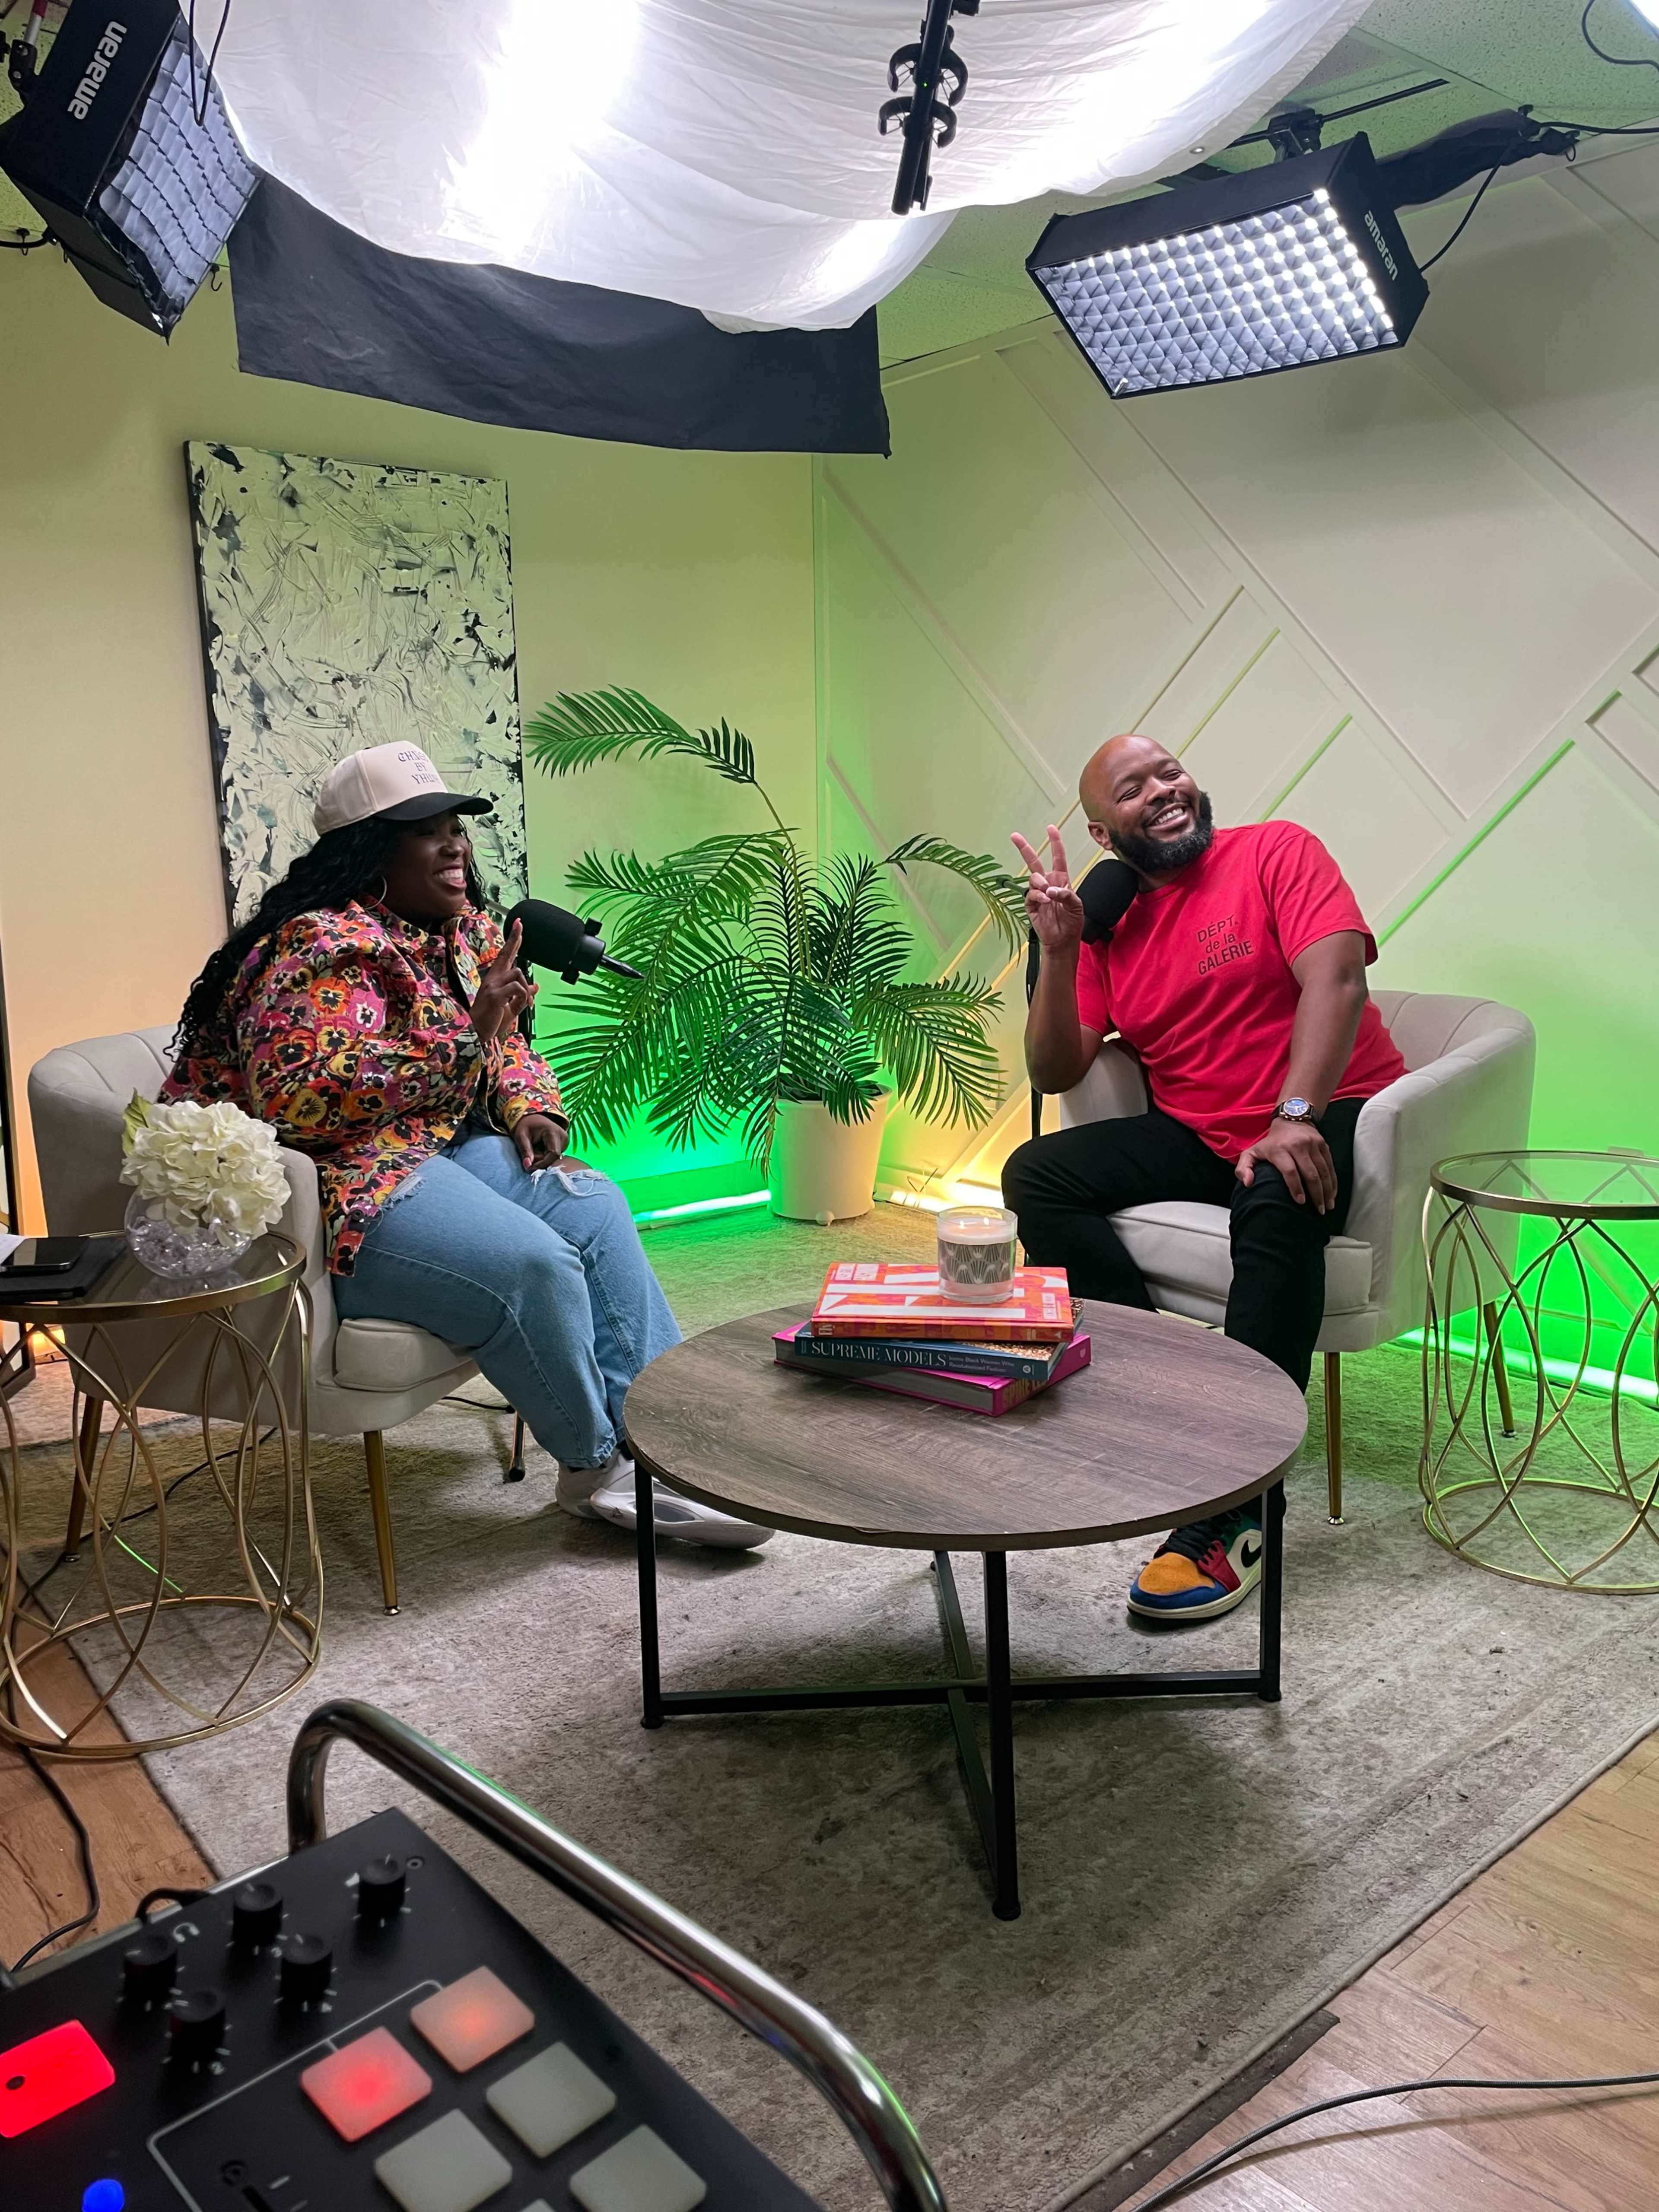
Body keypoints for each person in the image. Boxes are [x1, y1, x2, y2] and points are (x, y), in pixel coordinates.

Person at [165, 741, 771, 1552]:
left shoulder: (466, 932)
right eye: (427, 832)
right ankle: (597, 1469)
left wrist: (528, 1106)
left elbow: (512, 1042)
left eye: (456, 826)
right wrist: (466, 1033)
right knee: (535, 1264)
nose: (455, 845)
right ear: (369, 849)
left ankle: (674, 1439)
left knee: (594, 1206)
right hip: (350, 1179)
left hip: (446, 1144)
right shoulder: (320, 947)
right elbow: (303, 1100)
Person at [1002, 733, 1404, 1624]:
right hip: (1200, 1126)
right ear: (1106, 838)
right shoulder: (1113, 929)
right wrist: (1062, 949)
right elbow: (1056, 1071)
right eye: (1133, 790)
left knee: (1275, 1187)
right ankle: (1154, 1395)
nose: (1162, 791)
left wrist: (1294, 1118)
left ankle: (1238, 1505)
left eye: (1168, 771)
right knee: (1038, 1174)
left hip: (1332, 1104)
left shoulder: (1276, 851)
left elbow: (1335, 978)